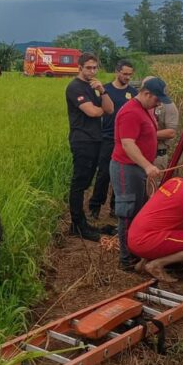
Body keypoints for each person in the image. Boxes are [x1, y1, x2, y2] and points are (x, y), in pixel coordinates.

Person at [110, 77, 168, 270]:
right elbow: (128, 144)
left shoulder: (145, 109)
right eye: (156, 99)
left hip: (137, 168)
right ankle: (126, 259)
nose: (158, 103)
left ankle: (136, 251)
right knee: (127, 212)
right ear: (145, 93)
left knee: (139, 211)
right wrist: (147, 166)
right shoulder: (130, 112)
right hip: (127, 168)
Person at [65, 53, 115, 241]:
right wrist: (102, 110)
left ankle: (81, 222)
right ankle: (77, 225)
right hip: (82, 140)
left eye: (95, 68)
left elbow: (110, 109)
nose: (92, 71)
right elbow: (93, 112)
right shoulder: (74, 87)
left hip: (95, 139)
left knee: (86, 182)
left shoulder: (93, 86)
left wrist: (103, 91)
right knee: (79, 183)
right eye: (88, 68)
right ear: (79, 68)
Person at [89, 60, 136, 219]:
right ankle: (95, 206)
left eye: (130, 74)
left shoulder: (133, 93)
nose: (127, 77)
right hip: (107, 137)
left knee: (121, 174)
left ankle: (115, 207)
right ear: (117, 72)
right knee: (104, 174)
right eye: (125, 74)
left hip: (125, 140)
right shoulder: (105, 89)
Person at [152, 98, 179, 171]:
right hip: (138, 156)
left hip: (157, 156)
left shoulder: (168, 105)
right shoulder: (140, 103)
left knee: (154, 182)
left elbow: (171, 132)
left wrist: (145, 135)